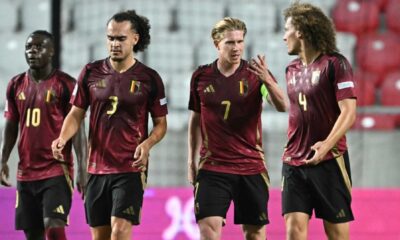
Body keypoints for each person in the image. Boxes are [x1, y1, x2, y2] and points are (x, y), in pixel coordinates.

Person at [51, 10, 168, 240]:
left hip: (130, 168)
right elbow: (76, 114)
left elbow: (161, 125)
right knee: (101, 236)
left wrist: (147, 144)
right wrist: (62, 138)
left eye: (121, 38)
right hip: (96, 169)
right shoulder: (90, 72)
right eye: (111, 38)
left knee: (120, 230)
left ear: (135, 39)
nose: (114, 44)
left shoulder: (150, 78)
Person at [188, 17, 287, 240]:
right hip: (213, 167)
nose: (236, 48)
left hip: (250, 167)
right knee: (208, 229)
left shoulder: (256, 75)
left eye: (240, 42)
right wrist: (190, 160)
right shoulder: (201, 77)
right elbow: (195, 119)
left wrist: (268, 81)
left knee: (254, 233)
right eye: (230, 43)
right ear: (217, 44)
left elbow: (282, 106)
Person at [0, 30, 87, 240]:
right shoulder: (15, 85)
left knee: (54, 227)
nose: (33, 51)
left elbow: (78, 131)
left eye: (39, 47)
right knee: (33, 234)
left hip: (56, 170)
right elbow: (11, 126)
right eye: (29, 47)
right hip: (26, 173)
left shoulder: (67, 84)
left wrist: (82, 169)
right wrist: (3, 159)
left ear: (51, 52)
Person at [281, 2, 357, 240]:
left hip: (330, 161)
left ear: (301, 31)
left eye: (287, 30)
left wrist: (325, 145)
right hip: (294, 162)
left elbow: (349, 113)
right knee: (294, 231)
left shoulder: (336, 64)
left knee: (336, 234)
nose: (284, 37)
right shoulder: (290, 69)